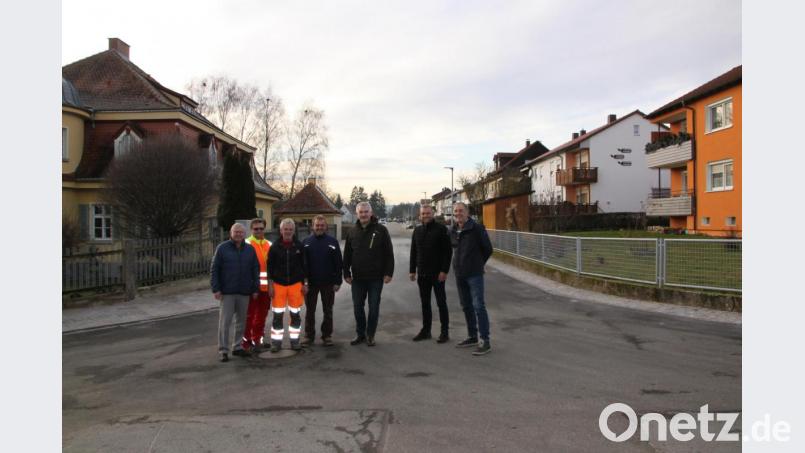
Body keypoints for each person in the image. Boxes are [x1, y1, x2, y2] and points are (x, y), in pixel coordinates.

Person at [343, 201, 394, 347]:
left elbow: (389, 253)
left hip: (376, 278)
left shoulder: (381, 230)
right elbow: (347, 254)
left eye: (366, 211)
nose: (364, 214)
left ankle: (370, 335)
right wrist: (346, 272)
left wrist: (388, 272)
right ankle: (360, 334)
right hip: (357, 278)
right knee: (357, 307)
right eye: (361, 212)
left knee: (373, 308)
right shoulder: (352, 232)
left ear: (371, 213)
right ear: (357, 214)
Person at [210, 223, 259, 362]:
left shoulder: (250, 249)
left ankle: (237, 347)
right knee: (225, 322)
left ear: (245, 234)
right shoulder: (222, 248)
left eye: (241, 232)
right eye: (236, 232)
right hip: (227, 292)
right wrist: (216, 288)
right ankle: (223, 350)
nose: (238, 234)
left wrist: (255, 288)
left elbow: (255, 270)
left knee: (241, 322)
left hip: (244, 291)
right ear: (231, 233)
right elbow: (214, 270)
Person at [450, 202, 493, 356]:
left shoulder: (476, 228)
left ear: (467, 212)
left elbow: (488, 249)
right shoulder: (453, 230)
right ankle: (472, 336)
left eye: (461, 211)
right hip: (459, 274)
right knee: (466, 305)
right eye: (455, 211)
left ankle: (485, 340)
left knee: (478, 306)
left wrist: (478, 264)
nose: (458, 213)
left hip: (474, 274)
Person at [409, 204, 452, 343]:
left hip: (437, 274)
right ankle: (426, 331)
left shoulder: (441, 229)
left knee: (441, 303)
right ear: (420, 215)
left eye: (428, 213)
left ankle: (444, 332)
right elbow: (413, 252)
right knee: (425, 304)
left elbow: (448, 252)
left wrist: (444, 270)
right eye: (423, 214)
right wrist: (412, 270)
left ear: (432, 214)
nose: (426, 216)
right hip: (422, 274)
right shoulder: (417, 231)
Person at [267, 218, 308, 352]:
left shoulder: (299, 246)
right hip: (278, 285)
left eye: (290, 229)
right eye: (285, 229)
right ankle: (276, 343)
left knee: (295, 315)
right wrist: (270, 285)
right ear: (281, 230)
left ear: (294, 230)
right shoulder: (274, 247)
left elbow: (305, 266)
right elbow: (270, 268)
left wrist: (305, 283)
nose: (288, 231)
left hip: (296, 285)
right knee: (277, 316)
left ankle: (295, 341)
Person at [302, 215, 343, 347]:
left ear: (326, 227)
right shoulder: (306, 242)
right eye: (317, 225)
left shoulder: (333, 242)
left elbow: (338, 263)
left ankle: (327, 336)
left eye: (322, 225)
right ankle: (309, 336)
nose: (319, 227)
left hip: (328, 283)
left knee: (328, 310)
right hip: (311, 284)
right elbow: (302, 264)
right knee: (310, 311)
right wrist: (304, 282)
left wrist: (338, 281)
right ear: (312, 226)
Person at [241, 218, 272, 352]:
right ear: (251, 230)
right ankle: (246, 343)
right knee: (249, 316)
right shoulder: (246, 243)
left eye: (261, 228)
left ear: (264, 229)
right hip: (251, 287)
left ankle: (257, 339)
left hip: (266, 288)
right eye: (256, 229)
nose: (259, 231)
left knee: (261, 315)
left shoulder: (269, 244)